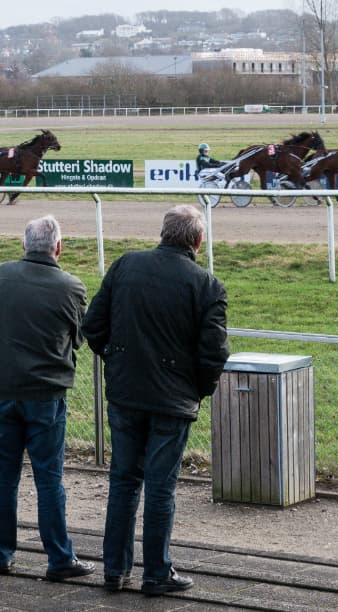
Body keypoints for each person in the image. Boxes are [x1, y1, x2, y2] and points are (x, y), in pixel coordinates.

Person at [82, 204, 229, 597]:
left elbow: (92, 326)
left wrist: (116, 360)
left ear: (163, 233)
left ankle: (115, 570)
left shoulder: (125, 265)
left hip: (126, 394)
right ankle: (156, 573)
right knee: (161, 489)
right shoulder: (207, 285)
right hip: (172, 401)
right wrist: (197, 389)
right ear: (198, 240)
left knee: (123, 482)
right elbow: (214, 353)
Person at [0, 214, 95, 583]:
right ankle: (59, 558)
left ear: (24, 245)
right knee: (49, 478)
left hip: (0, 389)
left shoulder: (3, 275)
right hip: (45, 393)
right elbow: (78, 337)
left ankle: (2, 555)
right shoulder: (71, 286)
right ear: (58, 247)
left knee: (1, 478)